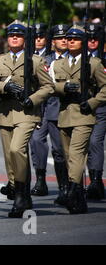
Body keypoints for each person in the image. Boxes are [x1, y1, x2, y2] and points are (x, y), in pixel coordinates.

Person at [0, 20, 54, 218]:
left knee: (16, 149)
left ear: (25, 38)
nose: (14, 38)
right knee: (11, 157)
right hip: (6, 113)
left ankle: (20, 194)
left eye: (18, 35)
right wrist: (4, 87)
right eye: (11, 35)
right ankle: (22, 192)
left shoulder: (36, 61)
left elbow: (48, 87)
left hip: (27, 114)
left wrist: (33, 99)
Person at [49, 24, 106, 214]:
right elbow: (50, 86)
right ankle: (79, 197)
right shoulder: (58, 64)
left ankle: (73, 191)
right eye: (69, 38)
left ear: (83, 42)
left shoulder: (94, 63)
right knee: (69, 158)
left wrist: (92, 103)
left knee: (75, 154)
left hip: (84, 115)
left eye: (75, 39)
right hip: (64, 116)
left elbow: (104, 88)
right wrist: (63, 88)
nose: (71, 41)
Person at [29, 24, 68, 200]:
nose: (64, 41)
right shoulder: (42, 58)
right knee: (36, 142)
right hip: (41, 108)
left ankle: (64, 186)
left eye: (41, 36)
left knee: (60, 149)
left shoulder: (71, 59)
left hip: (61, 109)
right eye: (59, 38)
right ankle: (40, 180)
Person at [85, 23, 106, 200]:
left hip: (101, 107)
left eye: (95, 38)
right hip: (83, 108)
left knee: (94, 142)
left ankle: (97, 181)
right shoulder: (81, 57)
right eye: (89, 38)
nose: (92, 41)